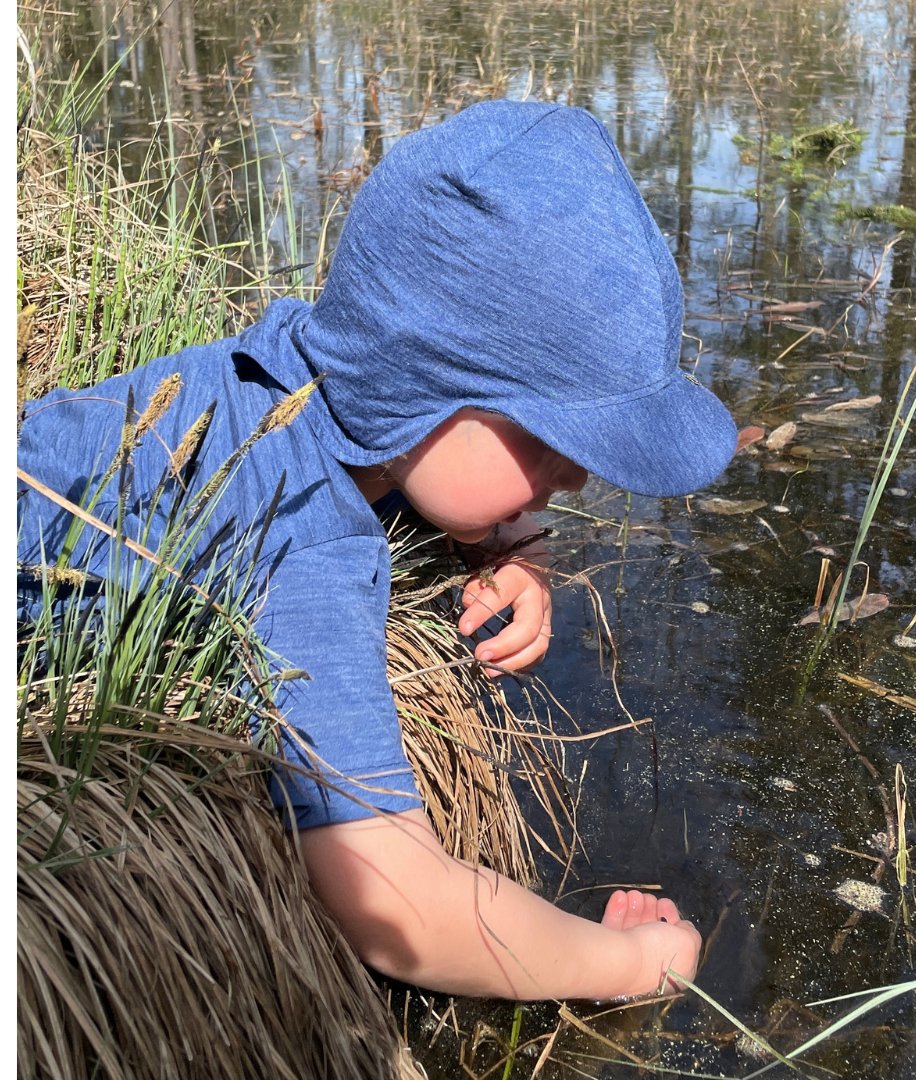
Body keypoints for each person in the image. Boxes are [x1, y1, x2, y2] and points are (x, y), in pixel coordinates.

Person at [17, 100, 739, 1001]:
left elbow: (430, 461)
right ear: (422, 386)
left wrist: (514, 542)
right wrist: (630, 965)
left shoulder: (286, 364)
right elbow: (401, 911)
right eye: (550, 441)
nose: (581, 481)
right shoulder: (301, 547)